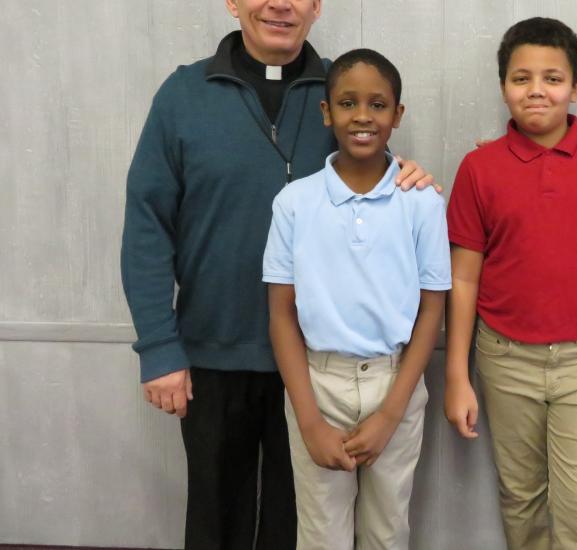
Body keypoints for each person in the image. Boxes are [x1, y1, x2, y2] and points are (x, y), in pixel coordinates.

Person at [120, 1, 433, 547]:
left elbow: (373, 176)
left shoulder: (344, 88)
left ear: (316, 6)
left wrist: (410, 173)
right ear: (233, 2)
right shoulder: (183, 96)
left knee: (303, 526)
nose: (280, 3)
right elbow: (147, 226)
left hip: (317, 368)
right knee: (219, 520)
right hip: (215, 353)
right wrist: (158, 346)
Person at [444, 17, 577, 550]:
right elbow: (463, 277)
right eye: (521, 78)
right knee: (522, 501)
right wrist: (456, 375)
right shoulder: (479, 167)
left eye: (552, 78)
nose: (536, 90)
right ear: (503, 87)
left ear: (576, 87)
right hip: (503, 358)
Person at [263, 48, 449, 550]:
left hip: (397, 381)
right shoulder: (295, 203)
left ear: (397, 115)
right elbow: (281, 314)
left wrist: (391, 412)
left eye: (377, 104)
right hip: (317, 381)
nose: (362, 116)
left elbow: (433, 308)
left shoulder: (423, 202)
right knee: (322, 534)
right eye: (347, 103)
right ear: (327, 112)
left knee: (387, 531)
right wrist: (308, 419)